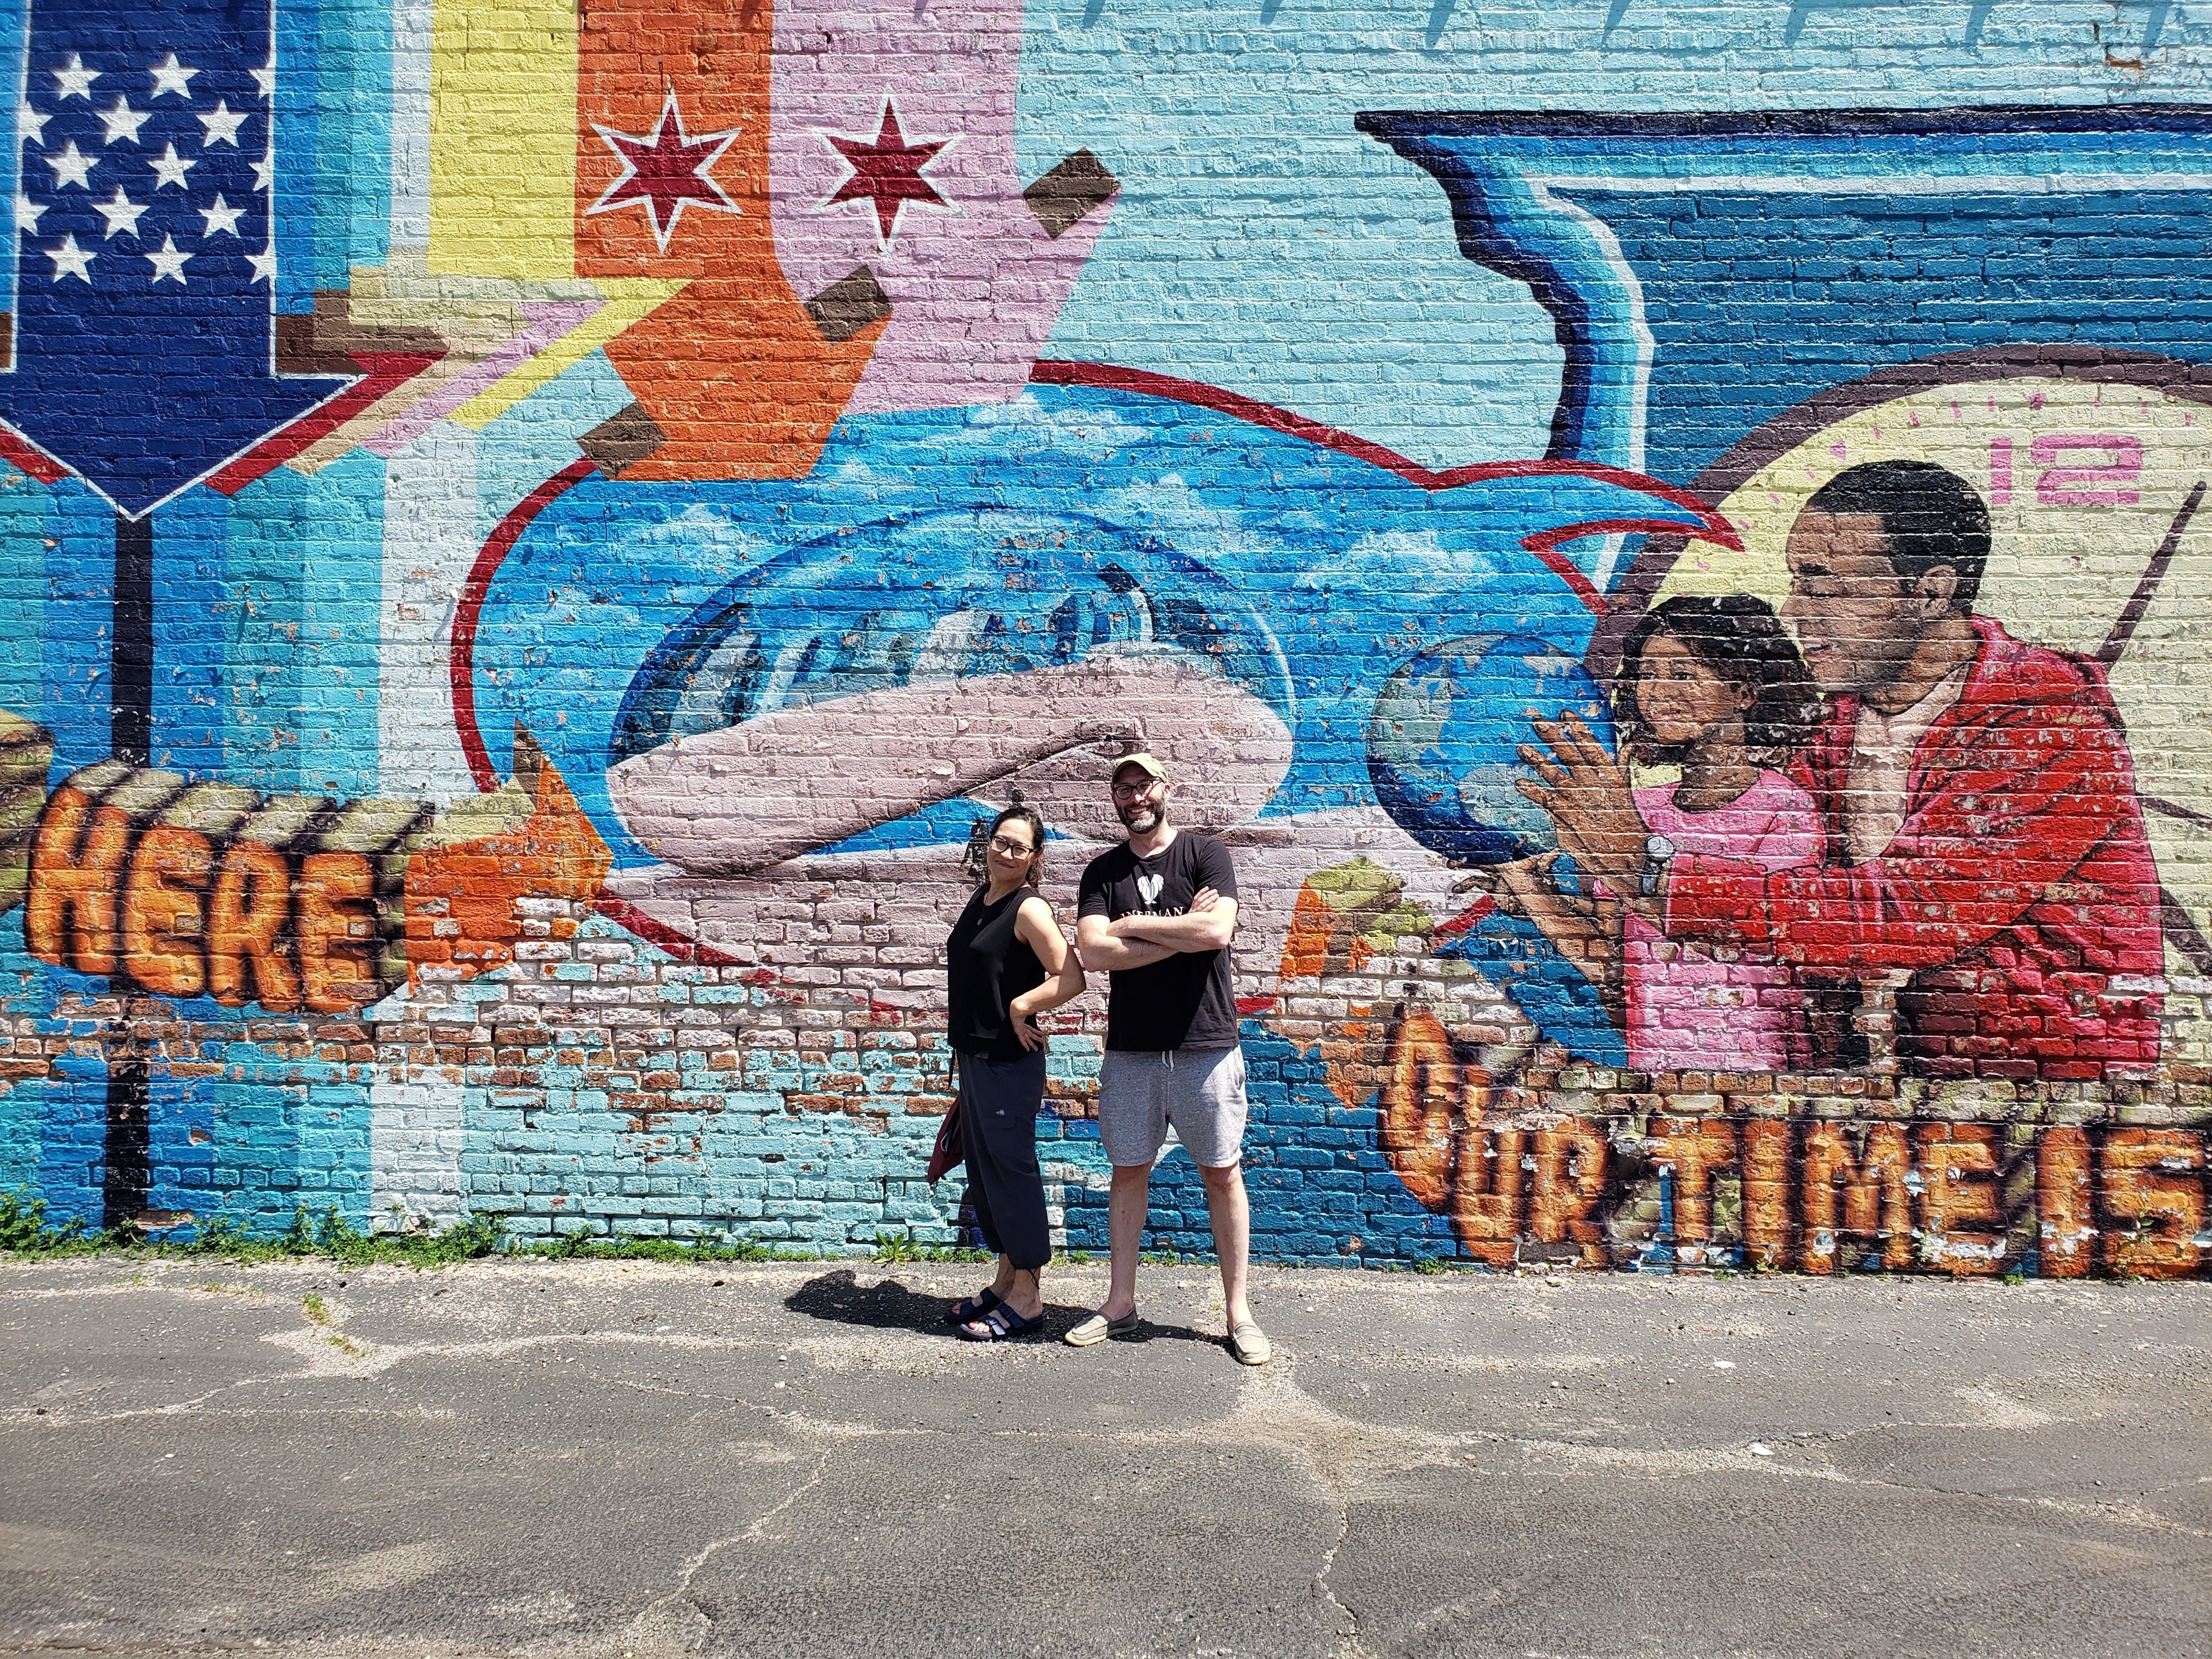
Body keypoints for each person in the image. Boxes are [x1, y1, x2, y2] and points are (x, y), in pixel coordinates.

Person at [1522, 460, 2164, 1080]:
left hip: (2052, 1092)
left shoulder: (2045, 722)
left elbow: (1909, 913)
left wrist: (1648, 868)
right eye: (1797, 583)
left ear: (1930, 592)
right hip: (1881, 1094)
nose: (1796, 611)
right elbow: (1764, 897)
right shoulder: (1831, 732)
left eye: (1826, 587)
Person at [1486, 595, 1825, 1072]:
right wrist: (1523, 880)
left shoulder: (1783, 809)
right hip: (1657, 1070)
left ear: (1745, 693)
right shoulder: (1638, 810)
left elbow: (1764, 933)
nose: (1658, 692)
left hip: (1759, 1072)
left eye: (1683, 674)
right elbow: (1609, 965)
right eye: (1648, 675)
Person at [1064, 753, 1269, 1364]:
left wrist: (1132, 927)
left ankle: (1238, 1313)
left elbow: (1217, 934)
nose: (1135, 797)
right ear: (1115, 798)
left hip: (1207, 1044)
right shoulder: (1103, 871)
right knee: (1128, 1170)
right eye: (1123, 788)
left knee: (1222, 1172)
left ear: (1165, 789)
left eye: (1144, 785)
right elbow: (1094, 953)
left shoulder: (1207, 855)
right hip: (1131, 1050)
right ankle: (1120, 1304)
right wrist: (1178, 932)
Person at [942, 804, 1086, 1341]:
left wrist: (1022, 1007)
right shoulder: (983, 898)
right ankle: (1006, 1281)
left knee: (1011, 1175)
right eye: (1000, 841)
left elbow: (1071, 977)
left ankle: (1028, 1296)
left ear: (1035, 856)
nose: (1006, 853)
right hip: (976, 1059)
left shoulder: (1029, 909)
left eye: (1019, 847)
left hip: (1008, 1062)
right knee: (986, 1176)